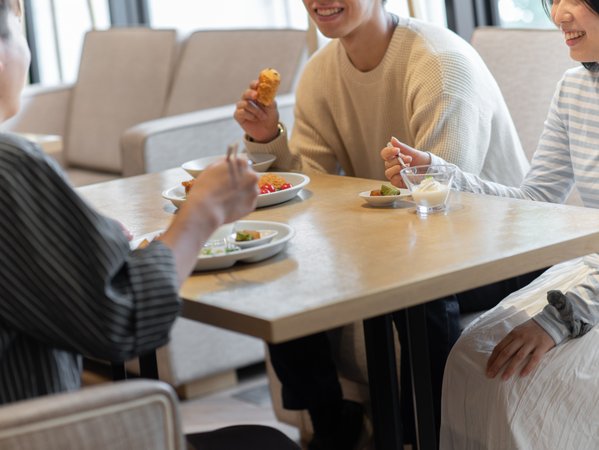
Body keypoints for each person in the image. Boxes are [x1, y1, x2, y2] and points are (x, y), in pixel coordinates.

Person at [234, 0, 533, 448]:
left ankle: (425, 435)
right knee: (279, 256)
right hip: (398, 238)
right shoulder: (320, 72)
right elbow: (307, 192)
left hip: (499, 246)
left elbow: (444, 204)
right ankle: (332, 422)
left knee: (417, 285)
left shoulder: (440, 65)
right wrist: (267, 139)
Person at [0, 1, 299, 449]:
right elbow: (123, 319)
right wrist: (201, 214)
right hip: (39, 435)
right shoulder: (11, 167)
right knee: (266, 443)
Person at [381, 0, 599, 448]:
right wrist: (441, 174)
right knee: (472, 362)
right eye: (553, 0)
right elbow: (535, 201)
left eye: (574, 0)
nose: (558, 15)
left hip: (589, 293)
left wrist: (561, 319)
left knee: (526, 385)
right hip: (590, 268)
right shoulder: (574, 88)